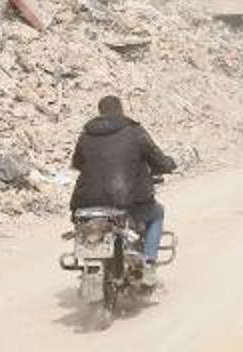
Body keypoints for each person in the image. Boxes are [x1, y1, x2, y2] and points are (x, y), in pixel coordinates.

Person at [70, 95, 176, 286]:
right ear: (121, 110)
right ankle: (149, 263)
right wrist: (168, 164)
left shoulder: (86, 135)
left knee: (84, 228)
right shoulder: (135, 131)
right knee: (157, 213)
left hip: (87, 202)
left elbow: (77, 163)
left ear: (100, 112)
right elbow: (157, 158)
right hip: (128, 202)